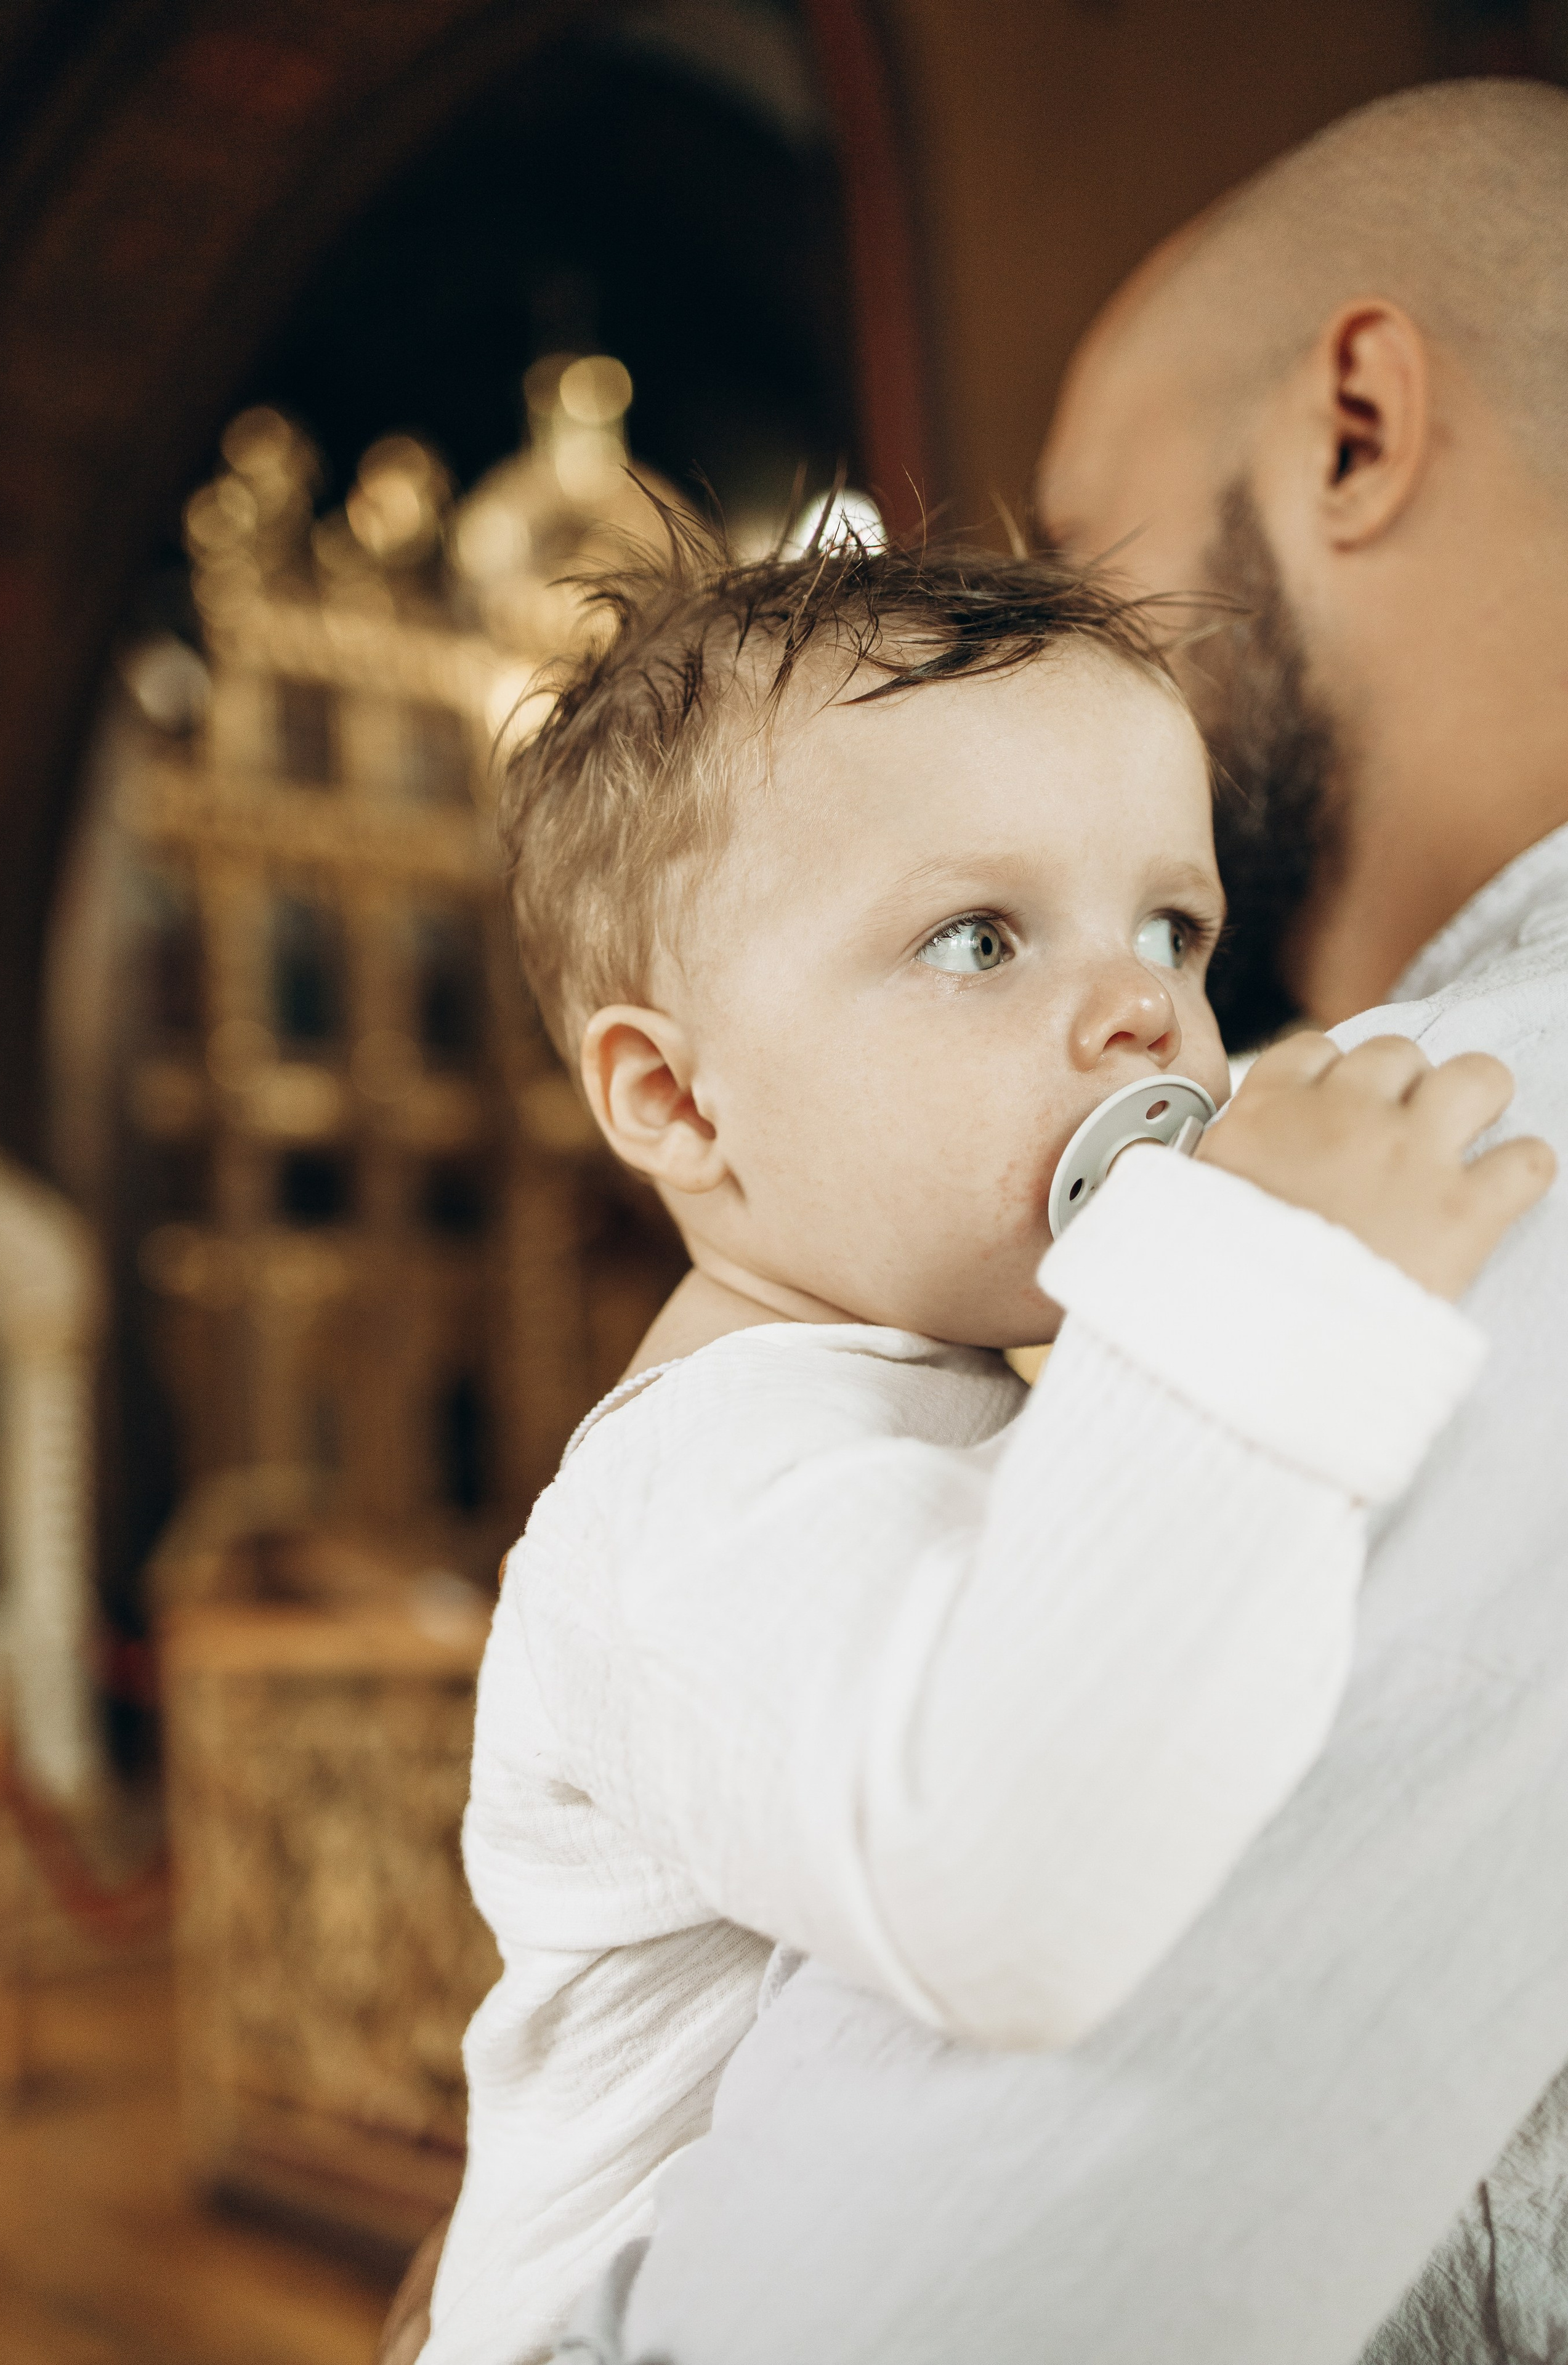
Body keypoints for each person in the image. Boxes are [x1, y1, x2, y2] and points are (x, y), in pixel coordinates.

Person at [559, 77, 1568, 2365]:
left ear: (1354, 426)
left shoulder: (1454, 1158)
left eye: (1176, 923)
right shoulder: (718, 1474)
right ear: (670, 1089)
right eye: (979, 931)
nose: (1140, 1008)